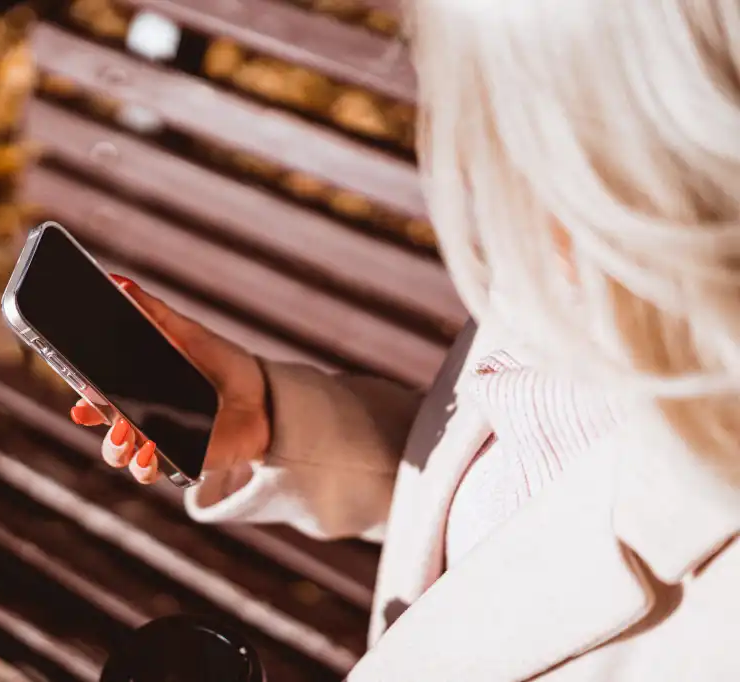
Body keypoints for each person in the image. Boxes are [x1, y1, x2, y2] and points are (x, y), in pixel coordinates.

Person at [69, 0, 740, 678]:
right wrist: (275, 422)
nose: (483, 168)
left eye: (518, 113)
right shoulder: (557, 270)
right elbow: (507, 521)